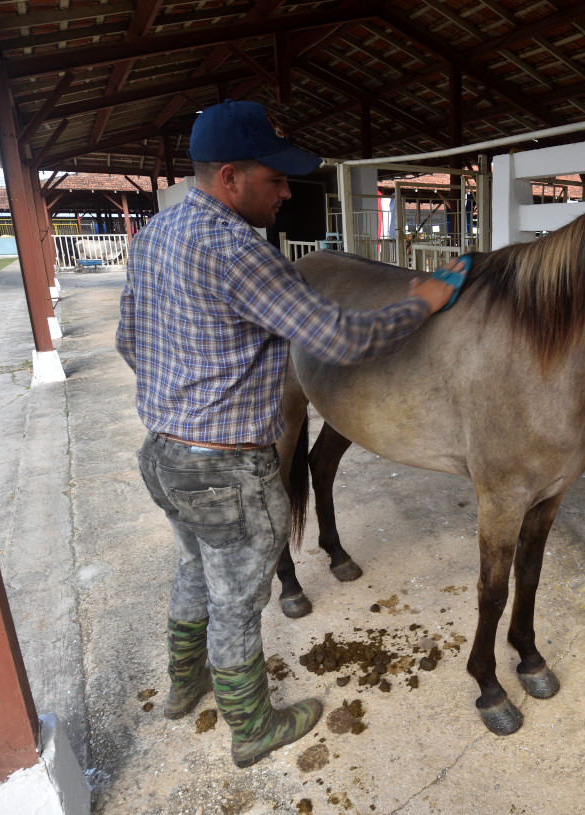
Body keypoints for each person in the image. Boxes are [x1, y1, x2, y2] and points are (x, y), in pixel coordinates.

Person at [115, 99, 459, 768]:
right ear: (231, 178)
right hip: (224, 466)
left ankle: (186, 686)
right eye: (275, 179)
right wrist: (422, 300)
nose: (286, 193)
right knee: (241, 600)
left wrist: (182, 395)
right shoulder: (238, 250)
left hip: (161, 454)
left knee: (194, 564)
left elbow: (130, 341)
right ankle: (252, 727)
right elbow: (340, 337)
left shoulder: (154, 236)